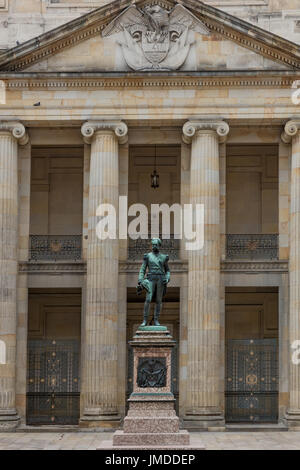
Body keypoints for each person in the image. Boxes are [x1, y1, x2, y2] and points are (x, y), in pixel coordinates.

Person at [137, 238, 170, 326]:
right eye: (153, 245)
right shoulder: (147, 256)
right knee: (148, 299)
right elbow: (143, 269)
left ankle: (156, 320)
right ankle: (144, 320)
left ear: (159, 245)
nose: (154, 246)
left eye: (156, 245)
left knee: (158, 300)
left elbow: (167, 271)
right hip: (151, 278)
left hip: (160, 278)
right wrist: (140, 280)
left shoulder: (164, 257)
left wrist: (167, 278)